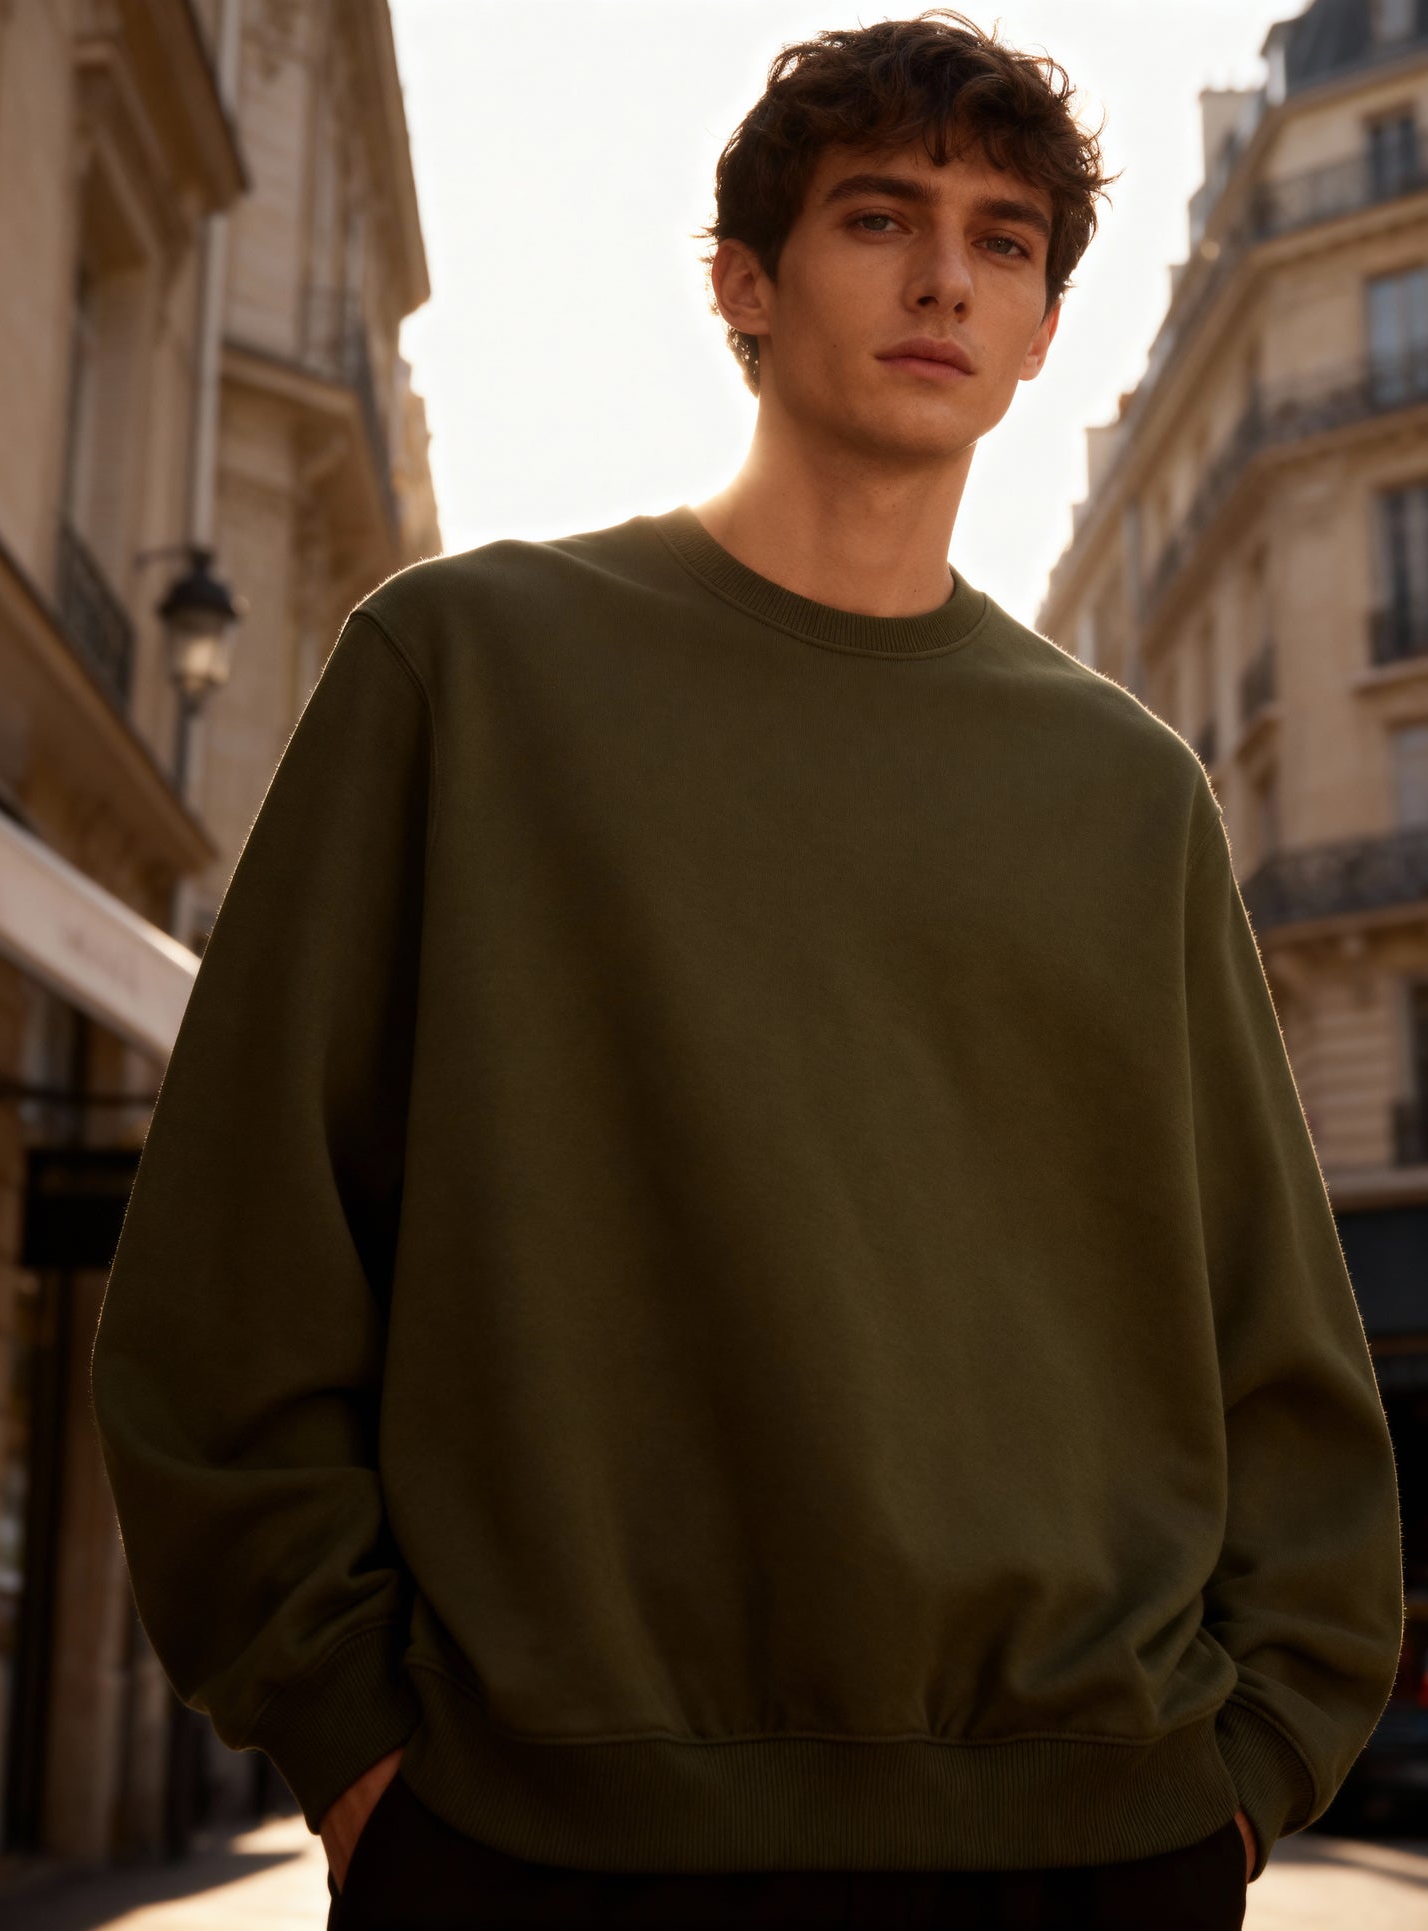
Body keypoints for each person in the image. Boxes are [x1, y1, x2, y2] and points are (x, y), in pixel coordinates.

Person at [91, 10, 1405, 1929]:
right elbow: (230, 1260)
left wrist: (1241, 1778)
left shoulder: (1127, 790)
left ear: (1042, 332)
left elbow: (1272, 1341)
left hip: (1087, 1856)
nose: (948, 276)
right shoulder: (466, 672)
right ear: (745, 282)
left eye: (1006, 241)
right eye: (881, 218)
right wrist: (358, 1743)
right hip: (537, 1848)